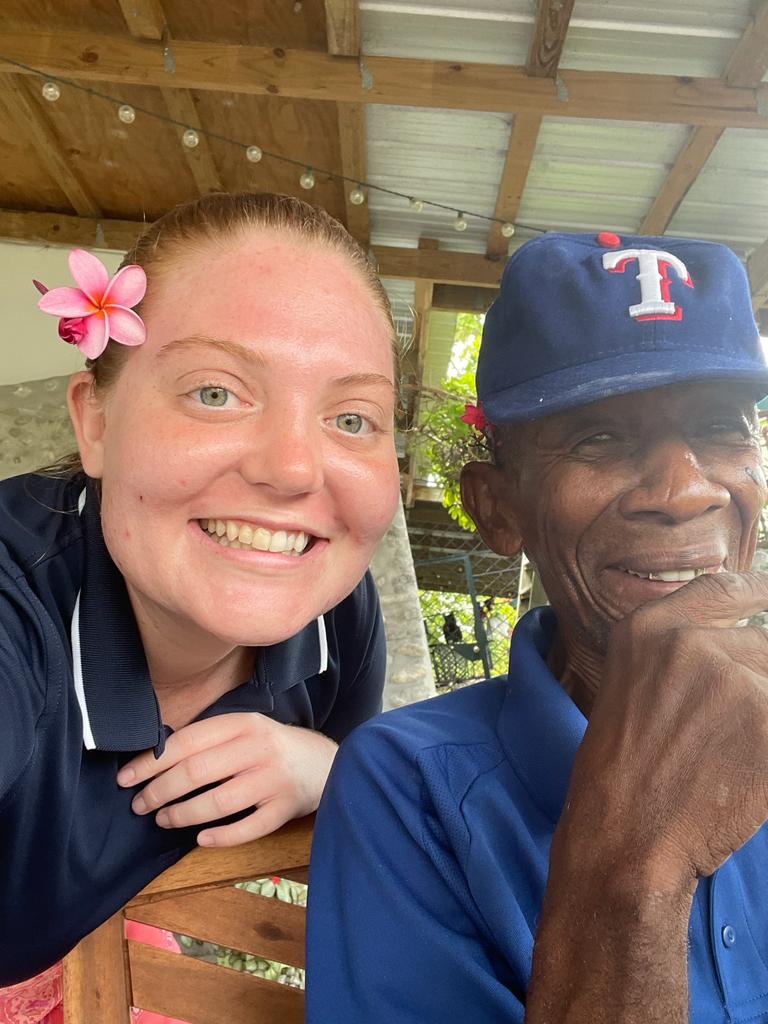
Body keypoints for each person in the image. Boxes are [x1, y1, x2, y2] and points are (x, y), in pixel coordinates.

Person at [306, 231, 768, 1022]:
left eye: (720, 427)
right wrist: (638, 858)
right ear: (499, 508)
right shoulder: (411, 785)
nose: (685, 490)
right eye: (600, 437)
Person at [0, 191, 400, 999]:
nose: (293, 469)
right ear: (96, 423)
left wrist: (333, 769)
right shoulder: (18, 608)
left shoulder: (335, 616)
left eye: (354, 418)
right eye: (215, 393)